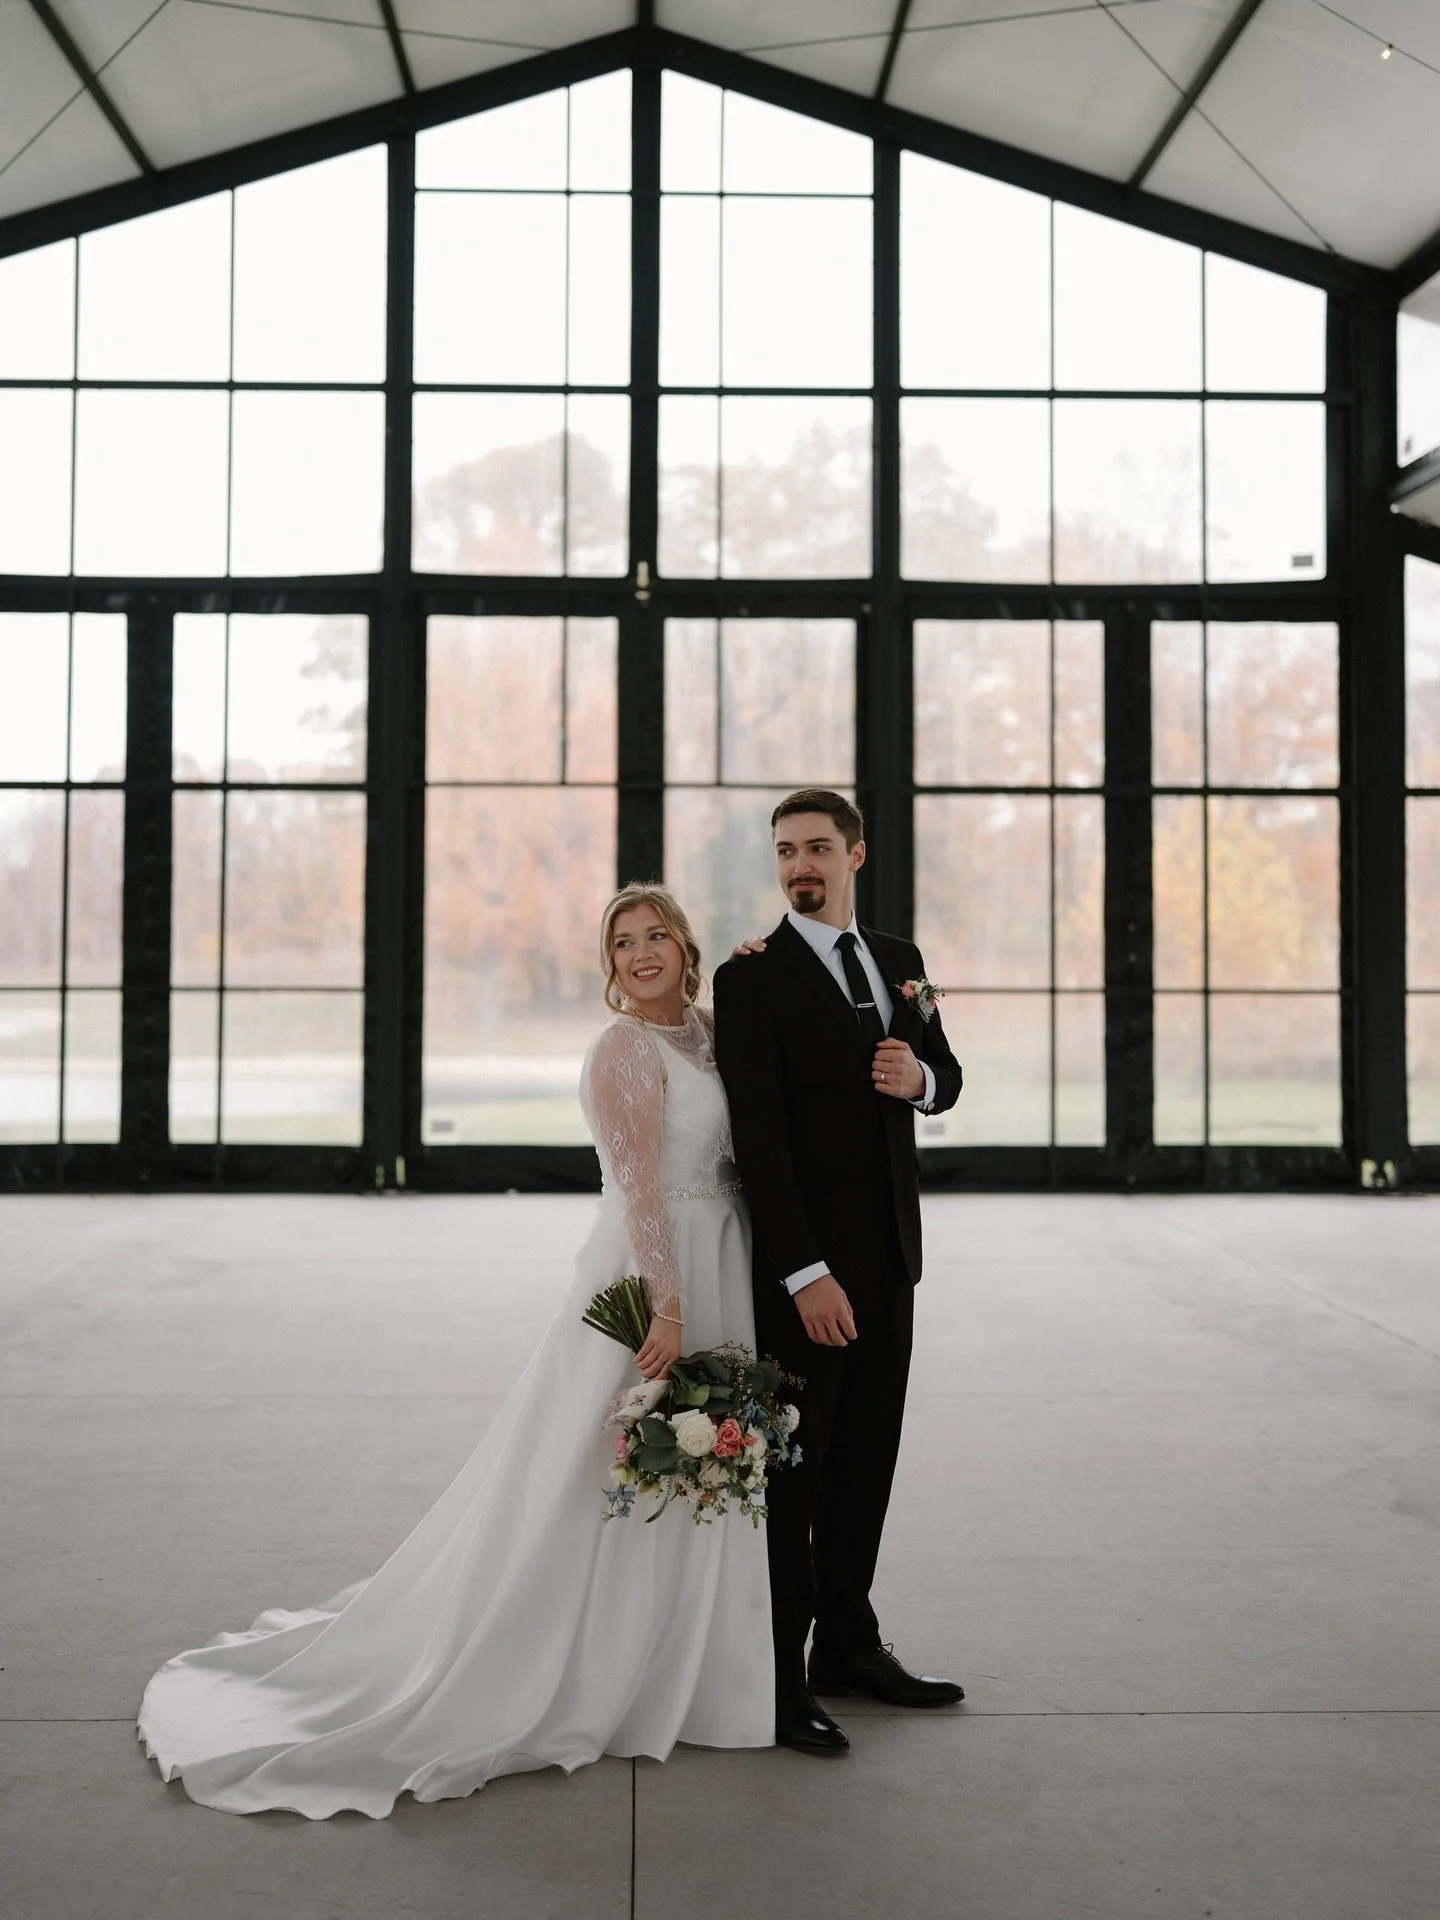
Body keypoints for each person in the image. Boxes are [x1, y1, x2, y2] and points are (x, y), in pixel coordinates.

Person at [138, 885, 773, 1817]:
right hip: (657, 1270)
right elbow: (638, 1189)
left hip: (726, 1254)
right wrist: (665, 1311)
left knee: (707, 1457)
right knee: (611, 1457)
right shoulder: (624, 1049)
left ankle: (694, 1656)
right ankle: (587, 1656)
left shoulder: (710, 1033)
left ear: (685, 945)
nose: (640, 955)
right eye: (621, 943)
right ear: (609, 964)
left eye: (655, 937)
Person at [712, 788, 965, 1757]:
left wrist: (921, 1082)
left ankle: (849, 1647)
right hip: (809, 1278)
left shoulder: (901, 959)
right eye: (785, 851)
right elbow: (759, 1143)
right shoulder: (751, 979)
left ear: (856, 854)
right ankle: (779, 1678)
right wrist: (804, 1272)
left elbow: (945, 1073)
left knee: (867, 1462)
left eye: (817, 847)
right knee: (797, 1476)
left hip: (892, 1261)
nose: (799, 866)